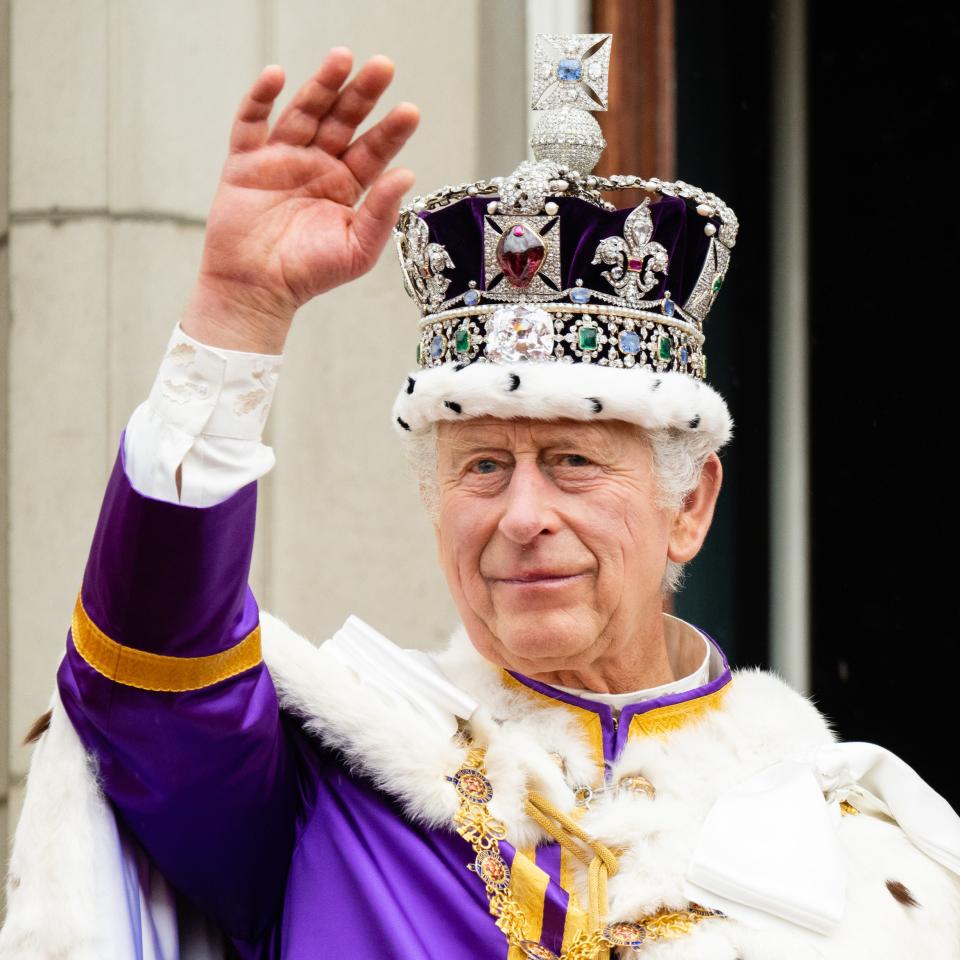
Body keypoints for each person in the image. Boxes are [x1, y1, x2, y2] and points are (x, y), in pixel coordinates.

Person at [3, 36, 960, 960]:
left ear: (691, 505)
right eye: (483, 467)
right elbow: (148, 668)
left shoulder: (865, 858)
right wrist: (238, 315)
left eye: (575, 460)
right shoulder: (326, 788)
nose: (522, 515)